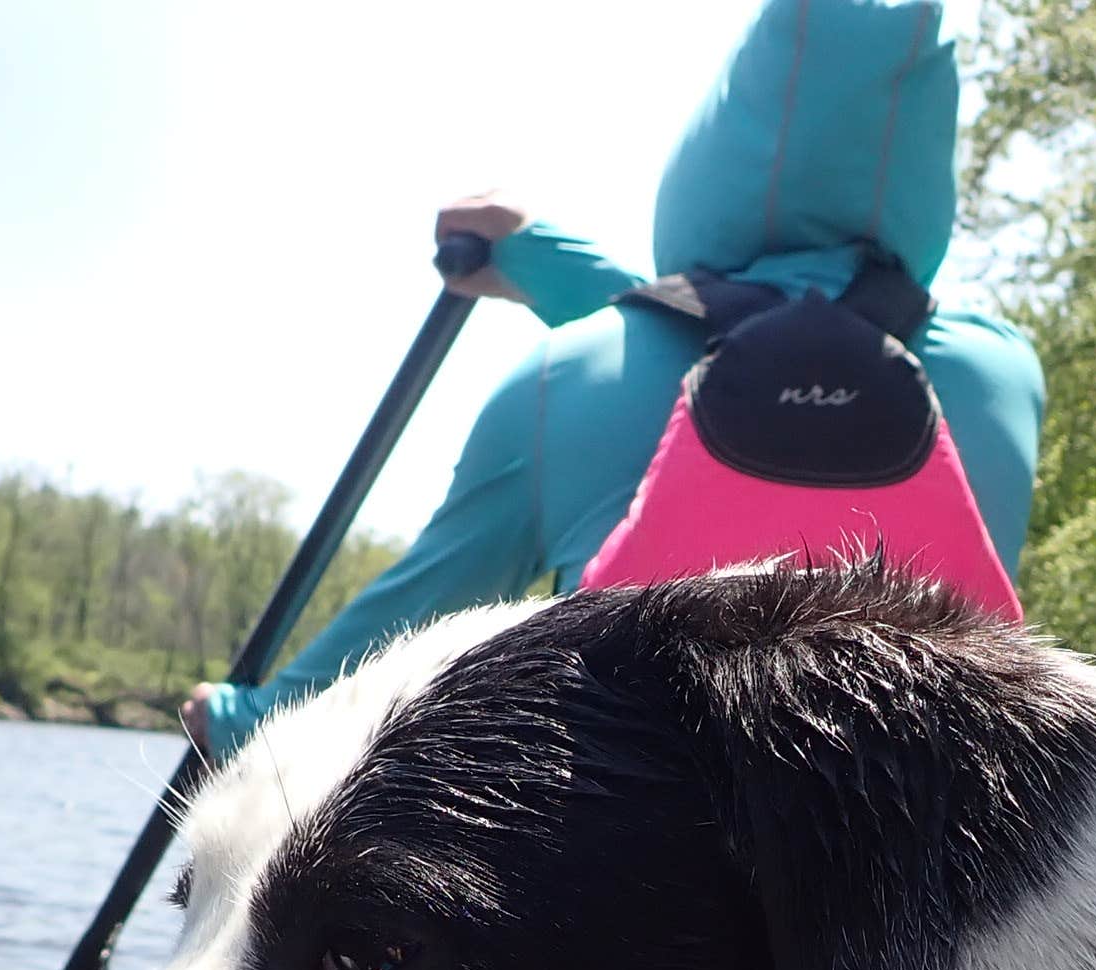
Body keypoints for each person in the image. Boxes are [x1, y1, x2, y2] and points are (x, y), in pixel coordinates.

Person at [183, 0, 1045, 761]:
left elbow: (411, 630)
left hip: (641, 909)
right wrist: (555, 265)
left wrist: (250, 720)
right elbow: (782, 350)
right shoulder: (1001, 374)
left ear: (709, 164)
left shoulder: (565, 381)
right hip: (933, 904)